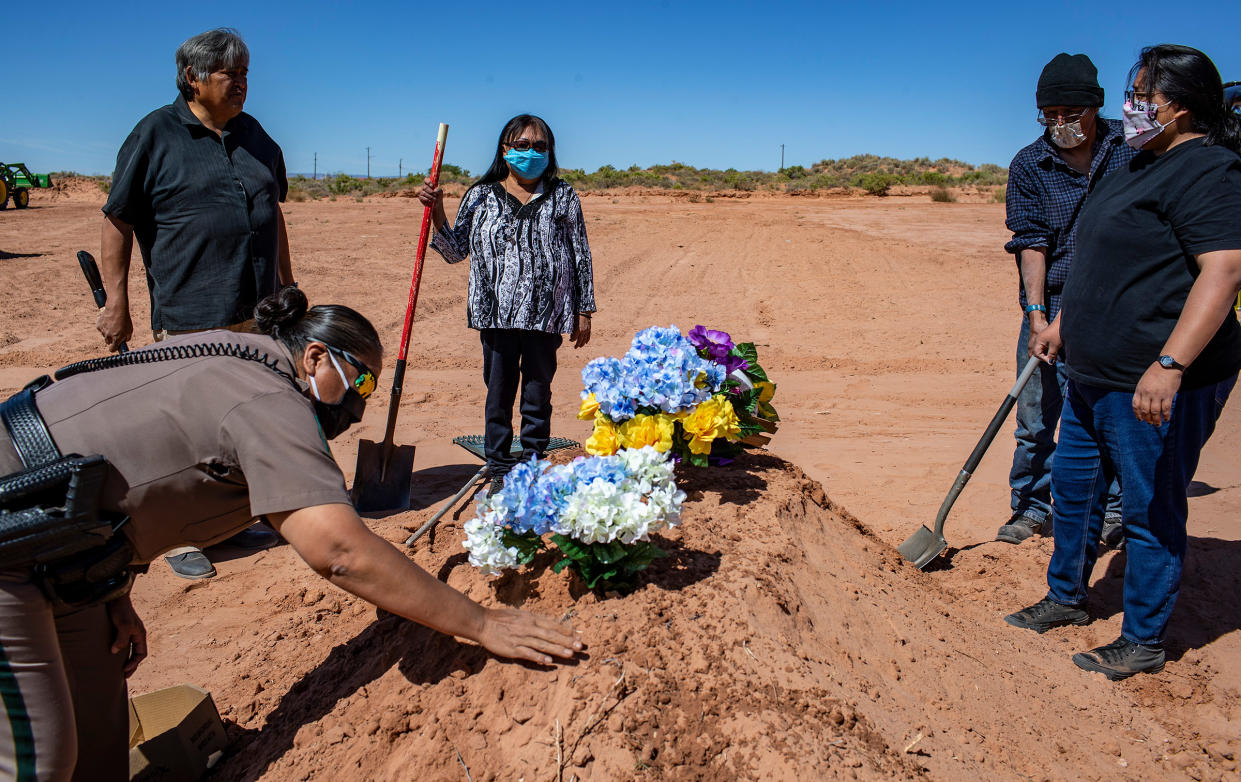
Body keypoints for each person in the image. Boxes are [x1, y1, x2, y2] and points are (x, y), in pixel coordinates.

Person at [0, 287, 583, 781]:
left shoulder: (238, 357)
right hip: (12, 538)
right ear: (313, 358)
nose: (359, 407)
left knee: (97, 740)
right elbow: (340, 552)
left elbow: (129, 470)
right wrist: (481, 623)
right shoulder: (266, 399)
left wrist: (114, 589)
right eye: (359, 384)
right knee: (42, 760)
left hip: (67, 550)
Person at [1005, 44, 1241, 680]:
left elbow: (1223, 271)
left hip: (1151, 379)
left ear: (1179, 106)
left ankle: (1142, 637)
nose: (1134, 106)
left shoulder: (1209, 170)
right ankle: (1066, 598)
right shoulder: (1136, 162)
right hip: (1088, 368)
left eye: (1144, 95)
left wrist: (1170, 363)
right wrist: (1057, 321)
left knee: (1149, 504)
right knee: (1076, 491)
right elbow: (1095, 261)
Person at [96, 28, 294, 578]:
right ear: (194, 78)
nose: (242, 85)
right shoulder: (155, 134)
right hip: (189, 313)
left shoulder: (256, 136)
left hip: (257, 311)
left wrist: (288, 284)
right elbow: (118, 220)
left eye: (247, 74)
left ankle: (230, 520)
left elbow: (272, 211)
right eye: (231, 75)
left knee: (243, 417)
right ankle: (179, 536)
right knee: (180, 428)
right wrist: (118, 302)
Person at [996, 53, 1134, 547]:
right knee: (1034, 418)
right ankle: (1031, 507)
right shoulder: (1030, 163)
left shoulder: (1134, 149)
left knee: (1115, 419)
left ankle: (1117, 511)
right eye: (1049, 114)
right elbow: (1030, 242)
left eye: (1070, 114)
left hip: (1121, 312)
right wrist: (1036, 316)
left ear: (1094, 107)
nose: (1060, 124)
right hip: (1049, 307)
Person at [420, 115, 596, 490]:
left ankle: (532, 463)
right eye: (522, 145)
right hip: (495, 312)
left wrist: (584, 309)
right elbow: (455, 251)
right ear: (505, 149)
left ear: (549, 152)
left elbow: (580, 253)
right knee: (498, 391)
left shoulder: (562, 195)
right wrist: (436, 211)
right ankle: (499, 465)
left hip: (545, 313)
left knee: (537, 392)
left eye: (539, 146)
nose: (530, 152)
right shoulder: (481, 194)